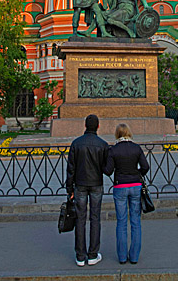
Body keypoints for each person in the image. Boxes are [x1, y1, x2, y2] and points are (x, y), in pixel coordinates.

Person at [66, 114, 109, 267]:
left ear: (85, 125)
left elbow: (71, 168)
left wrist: (69, 188)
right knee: (95, 218)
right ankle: (92, 255)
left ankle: (80, 256)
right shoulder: (102, 144)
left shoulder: (76, 143)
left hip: (80, 184)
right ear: (98, 126)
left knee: (80, 219)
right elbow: (107, 168)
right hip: (96, 184)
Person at [104, 123, 149, 265]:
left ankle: (122, 257)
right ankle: (134, 257)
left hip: (120, 185)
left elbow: (108, 171)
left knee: (121, 222)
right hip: (135, 185)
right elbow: (145, 166)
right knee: (136, 222)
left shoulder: (114, 149)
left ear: (117, 134)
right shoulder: (136, 148)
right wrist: (137, 174)